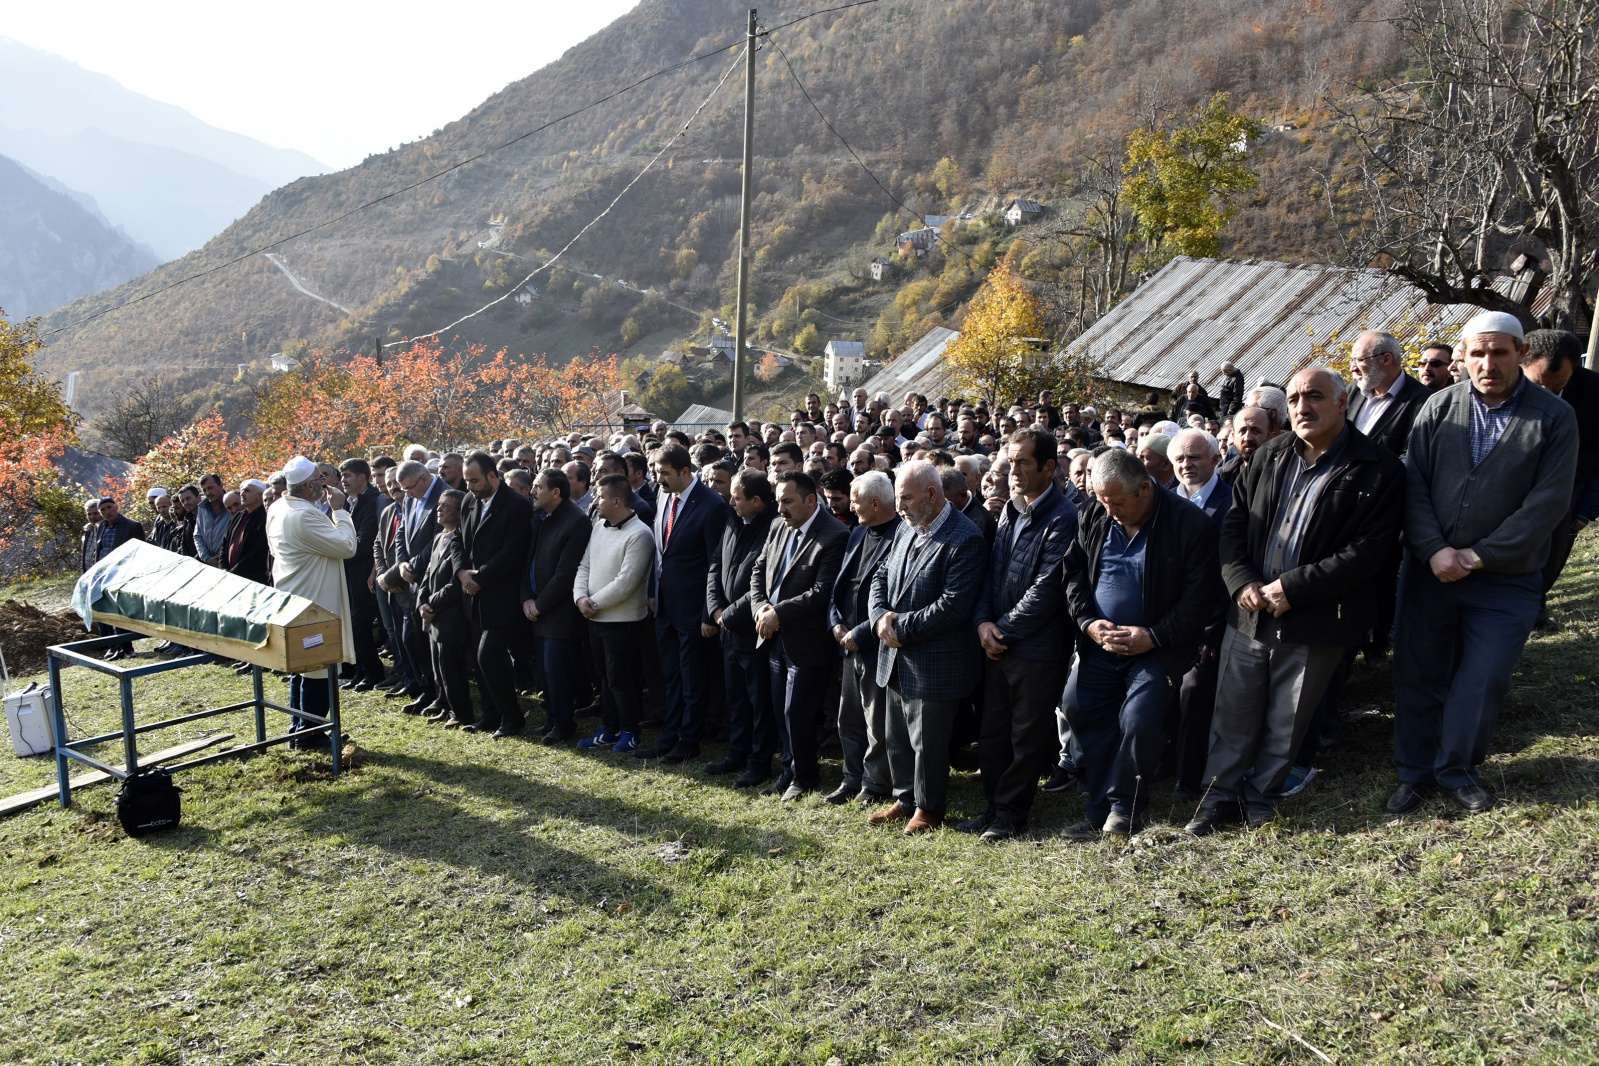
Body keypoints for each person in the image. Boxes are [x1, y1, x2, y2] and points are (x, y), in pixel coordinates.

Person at [1184, 366, 1404, 834]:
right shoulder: (1271, 453)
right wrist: (1241, 580)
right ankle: (1218, 795)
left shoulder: (1377, 467)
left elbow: (1368, 552)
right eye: (1296, 398)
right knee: (1232, 710)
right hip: (1249, 611)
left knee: (1289, 716)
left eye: (1315, 397)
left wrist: (1293, 588)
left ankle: (1262, 793)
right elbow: (1235, 523)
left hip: (1316, 616)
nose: (1303, 407)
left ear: (1342, 403)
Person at [1388, 313, 1578, 816]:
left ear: (1520, 353)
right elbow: (1413, 484)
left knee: (1485, 676)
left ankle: (1457, 770)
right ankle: (1414, 772)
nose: (1488, 364)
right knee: (1418, 673)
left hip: (1506, 579)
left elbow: (1549, 502)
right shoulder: (1438, 407)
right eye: (1477, 353)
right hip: (1431, 573)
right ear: (1463, 357)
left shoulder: (1554, 417)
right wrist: (1434, 549)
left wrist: (1479, 556)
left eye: (1499, 353)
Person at [1062, 448, 1220, 838]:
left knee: (1138, 721)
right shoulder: (1095, 514)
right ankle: (1099, 806)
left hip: (1159, 648)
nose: (1110, 510)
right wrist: (1088, 623)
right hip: (1103, 644)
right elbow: (1073, 572)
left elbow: (1199, 597)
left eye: (1117, 502)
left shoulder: (1189, 524)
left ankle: (1125, 807)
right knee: (1088, 713)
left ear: (1145, 488)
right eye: (1103, 500)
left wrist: (1153, 636)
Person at [964, 426, 1077, 842]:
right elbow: (992, 573)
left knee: (1025, 737)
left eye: (1022, 462)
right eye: (1010, 461)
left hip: (1037, 649)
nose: (1013, 470)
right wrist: (982, 622)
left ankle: (1012, 815)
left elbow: (1048, 589)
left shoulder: (1064, 518)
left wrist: (1002, 630)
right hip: (997, 643)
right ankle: (994, 807)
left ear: (1048, 467)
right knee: (992, 732)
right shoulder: (1010, 510)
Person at [866, 460, 986, 835]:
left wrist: (899, 627)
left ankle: (928, 807)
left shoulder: (965, 537)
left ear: (931, 494)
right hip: (895, 652)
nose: (898, 506)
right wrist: (879, 616)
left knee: (928, 742)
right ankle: (905, 798)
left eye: (905, 498)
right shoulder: (907, 526)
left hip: (935, 662)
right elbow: (881, 574)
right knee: (898, 735)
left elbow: (953, 605)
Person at [749, 470, 848, 801]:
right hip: (773, 635)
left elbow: (822, 593)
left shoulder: (835, 535)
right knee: (781, 709)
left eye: (787, 502)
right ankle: (789, 771)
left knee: (798, 712)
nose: (780, 509)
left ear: (810, 500)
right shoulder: (778, 525)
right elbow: (759, 570)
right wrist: (761, 608)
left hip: (808, 642)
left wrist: (778, 613)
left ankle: (804, 776)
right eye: (778, 501)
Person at [641, 443, 727, 762]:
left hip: (693, 610)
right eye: (656, 472)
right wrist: (653, 592)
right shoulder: (664, 496)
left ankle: (689, 740)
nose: (658, 479)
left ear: (685, 471)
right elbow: (661, 552)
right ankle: (669, 736)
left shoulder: (712, 505)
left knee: (692, 679)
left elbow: (716, 563)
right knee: (672, 676)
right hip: (665, 605)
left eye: (664, 473)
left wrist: (708, 612)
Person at [267, 456, 358, 749]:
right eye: (320, 479)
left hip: (294, 597)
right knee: (318, 669)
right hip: (316, 602)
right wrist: (340, 510)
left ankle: (299, 730)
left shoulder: (278, 507)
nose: (324, 484)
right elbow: (346, 546)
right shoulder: (304, 515)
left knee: (303, 668)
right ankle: (310, 734)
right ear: (308, 486)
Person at [828, 471, 901, 805]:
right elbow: (840, 585)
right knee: (849, 718)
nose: (851, 506)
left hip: (876, 646)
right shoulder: (857, 533)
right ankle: (851, 777)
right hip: (848, 644)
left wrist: (861, 633)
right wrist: (835, 623)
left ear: (874, 503)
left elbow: (895, 599)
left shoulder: (901, 536)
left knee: (876, 722)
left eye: (855, 501)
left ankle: (874, 784)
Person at [705, 470, 780, 785]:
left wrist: (731, 614)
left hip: (753, 632)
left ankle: (759, 762)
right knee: (735, 698)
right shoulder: (732, 520)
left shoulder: (774, 528)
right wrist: (715, 608)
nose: (731, 502)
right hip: (728, 630)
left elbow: (765, 581)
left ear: (757, 501)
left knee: (759, 702)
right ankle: (737, 752)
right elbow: (716, 564)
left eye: (737, 498)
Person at [1520, 330, 1599, 627]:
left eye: (1557, 386)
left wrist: (1562, 473)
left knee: (1550, 554)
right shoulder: (1497, 382)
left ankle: (1534, 610)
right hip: (1503, 483)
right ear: (1523, 360)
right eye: (1538, 384)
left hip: (1564, 486)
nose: (1547, 393)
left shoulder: (1593, 391)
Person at [457, 451, 535, 738]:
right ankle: (491, 714)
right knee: (480, 662)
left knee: (489, 656)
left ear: (492, 476)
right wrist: (461, 572)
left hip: (502, 595)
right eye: (466, 481)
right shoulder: (469, 500)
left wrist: (479, 578)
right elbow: (457, 540)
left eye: (474, 480)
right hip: (473, 594)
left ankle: (512, 717)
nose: (469, 486)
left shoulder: (516, 505)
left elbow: (512, 552)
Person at [574, 474, 655, 752]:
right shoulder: (599, 526)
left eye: (600, 497)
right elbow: (584, 565)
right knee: (605, 677)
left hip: (622, 622)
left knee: (621, 679)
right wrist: (579, 597)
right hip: (594, 617)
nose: (595, 502)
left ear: (617, 501)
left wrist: (591, 602)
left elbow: (626, 583)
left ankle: (630, 731)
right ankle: (609, 728)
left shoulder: (640, 534)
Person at [521, 468, 592, 745]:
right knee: (546, 671)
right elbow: (527, 561)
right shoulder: (540, 517)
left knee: (558, 671)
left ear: (555, 492)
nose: (533, 491)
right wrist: (526, 598)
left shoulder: (577, 521)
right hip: (536, 607)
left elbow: (566, 574)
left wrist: (539, 605)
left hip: (559, 612)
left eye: (538, 487)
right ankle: (552, 719)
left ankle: (564, 724)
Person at [417, 490, 477, 728]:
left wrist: (431, 603)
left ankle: (461, 712)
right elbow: (427, 574)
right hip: (433, 615)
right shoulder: (438, 537)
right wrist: (421, 602)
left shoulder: (461, 540)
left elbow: (456, 583)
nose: (439, 510)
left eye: (446, 506)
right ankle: (444, 704)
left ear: (459, 512)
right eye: (439, 505)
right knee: (438, 665)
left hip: (450, 614)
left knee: (451, 667)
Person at [337, 459, 388, 691]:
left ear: (362, 477)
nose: (343, 480)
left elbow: (364, 541)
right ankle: (361, 671)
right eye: (342, 476)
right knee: (351, 625)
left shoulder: (373, 501)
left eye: (347, 475)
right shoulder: (347, 503)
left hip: (366, 574)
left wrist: (339, 551)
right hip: (349, 574)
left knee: (360, 625)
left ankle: (374, 672)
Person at [1346, 331, 1428, 458]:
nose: (1352, 368)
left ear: (1386, 359)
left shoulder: (1423, 402)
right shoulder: (1350, 392)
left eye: (1360, 360)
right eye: (1352, 360)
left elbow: (1412, 457)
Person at [224, 479, 272, 586]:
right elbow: (225, 543)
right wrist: (223, 569)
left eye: (246, 491)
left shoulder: (265, 518)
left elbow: (258, 553)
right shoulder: (237, 516)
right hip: (231, 577)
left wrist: (233, 573)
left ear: (259, 495)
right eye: (241, 490)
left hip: (253, 581)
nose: (242, 494)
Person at [1220, 406, 1272, 485]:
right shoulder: (1224, 476)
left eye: (1255, 431)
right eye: (1242, 431)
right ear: (1234, 436)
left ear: (1271, 437)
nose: (1247, 438)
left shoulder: (1281, 475)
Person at [194, 473, 230, 565]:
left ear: (221, 486)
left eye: (210, 488)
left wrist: (223, 558)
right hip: (209, 563)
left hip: (229, 562)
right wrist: (206, 558)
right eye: (204, 490)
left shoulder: (234, 505)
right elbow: (198, 535)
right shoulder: (202, 508)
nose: (207, 493)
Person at [79, 500, 101, 573]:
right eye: (89, 514)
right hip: (89, 574)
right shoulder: (87, 530)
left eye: (96, 513)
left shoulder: (109, 530)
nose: (92, 517)